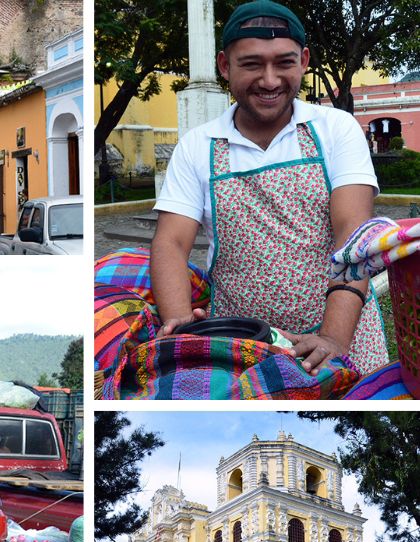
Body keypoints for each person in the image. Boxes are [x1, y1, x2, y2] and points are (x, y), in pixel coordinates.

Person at [150, 0, 387, 376]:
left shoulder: (335, 130)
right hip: (240, 345)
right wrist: (181, 325)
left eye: (284, 63)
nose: (270, 80)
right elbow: (171, 243)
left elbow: (353, 242)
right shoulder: (198, 146)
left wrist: (334, 339)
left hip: (342, 335)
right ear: (225, 66)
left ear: (304, 61)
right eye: (252, 64)